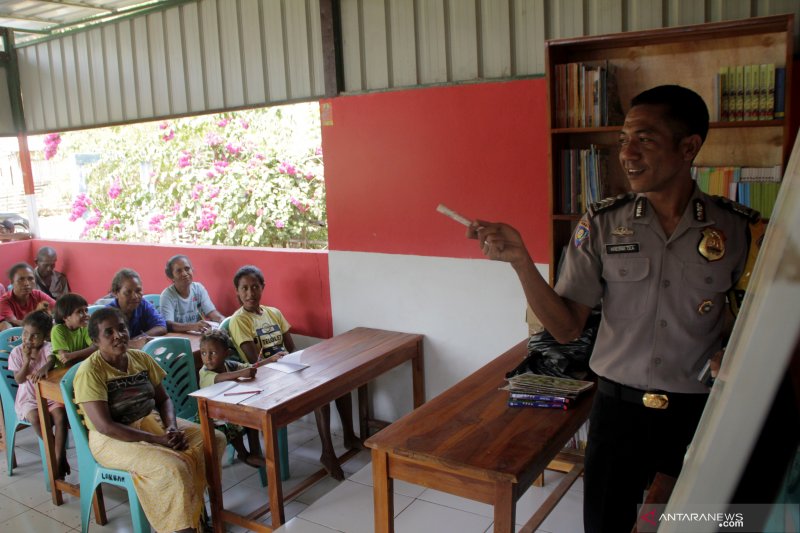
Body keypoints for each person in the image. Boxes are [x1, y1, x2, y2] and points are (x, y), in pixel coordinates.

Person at [470, 85, 756, 533]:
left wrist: (733, 349)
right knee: (604, 526)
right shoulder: (602, 222)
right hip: (617, 413)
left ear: (689, 147)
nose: (627, 153)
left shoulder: (738, 230)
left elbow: (754, 324)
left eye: (644, 138)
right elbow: (565, 330)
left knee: (697, 523)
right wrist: (521, 262)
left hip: (697, 415)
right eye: (623, 140)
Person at [73, 307, 227, 533]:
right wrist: (159, 440)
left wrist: (171, 427)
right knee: (174, 466)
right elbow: (105, 426)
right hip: (112, 439)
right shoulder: (90, 372)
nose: (118, 335)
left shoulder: (140, 358)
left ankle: (198, 514)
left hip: (150, 421)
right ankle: (182, 528)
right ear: (95, 340)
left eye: (122, 328)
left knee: (214, 439)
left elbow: (164, 400)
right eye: (109, 332)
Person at [228, 265, 361, 480]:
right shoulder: (239, 320)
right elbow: (254, 362)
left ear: (263, 287)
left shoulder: (274, 313)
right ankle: (328, 453)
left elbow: (291, 348)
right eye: (244, 289)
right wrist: (277, 361)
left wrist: (299, 363)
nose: (250, 293)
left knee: (337, 379)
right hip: (263, 378)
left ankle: (348, 435)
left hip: (286, 368)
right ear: (237, 291)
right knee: (320, 393)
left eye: (254, 287)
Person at [8, 310, 70, 479]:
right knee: (35, 418)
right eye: (25, 333)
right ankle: (57, 453)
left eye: (35, 335)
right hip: (28, 398)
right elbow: (20, 379)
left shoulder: (48, 348)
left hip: (48, 396)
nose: (28, 339)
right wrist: (27, 360)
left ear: (46, 336)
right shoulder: (16, 353)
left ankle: (59, 456)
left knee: (60, 416)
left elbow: (51, 359)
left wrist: (44, 368)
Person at [199, 328, 266, 468]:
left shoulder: (229, 365)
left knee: (253, 415)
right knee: (231, 423)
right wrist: (242, 372)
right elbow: (219, 378)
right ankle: (243, 454)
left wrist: (269, 360)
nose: (208, 358)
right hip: (210, 415)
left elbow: (251, 367)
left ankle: (254, 452)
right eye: (203, 353)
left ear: (226, 354)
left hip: (231, 408)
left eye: (213, 353)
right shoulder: (204, 372)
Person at [160, 255, 225, 333]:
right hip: (177, 337)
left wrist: (223, 321)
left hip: (196, 336)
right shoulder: (167, 295)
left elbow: (211, 313)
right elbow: (168, 325)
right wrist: (193, 326)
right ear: (171, 276)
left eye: (187, 269)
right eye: (179, 271)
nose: (184, 273)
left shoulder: (198, 289)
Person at [106, 269, 167, 344]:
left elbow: (161, 327)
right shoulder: (108, 314)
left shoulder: (143, 304)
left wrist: (138, 339)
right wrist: (132, 343)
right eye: (128, 292)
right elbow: (107, 343)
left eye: (138, 291)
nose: (135, 296)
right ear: (116, 293)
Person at [0, 263, 56, 327]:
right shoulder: (4, 301)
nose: (26, 283)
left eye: (30, 279)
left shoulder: (38, 294)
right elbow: (15, 323)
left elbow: (57, 309)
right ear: (12, 282)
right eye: (21, 279)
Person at [51, 293, 96, 366]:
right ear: (65, 317)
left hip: (83, 365)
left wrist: (73, 355)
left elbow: (96, 347)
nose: (85, 315)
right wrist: (88, 352)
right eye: (79, 312)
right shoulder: (58, 330)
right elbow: (66, 360)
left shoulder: (84, 327)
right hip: (64, 372)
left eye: (86, 310)